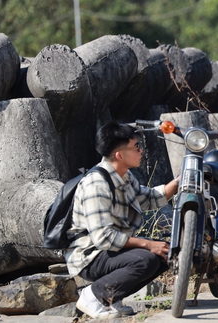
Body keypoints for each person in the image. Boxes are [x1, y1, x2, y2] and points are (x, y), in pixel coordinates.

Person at [65, 120, 180, 319]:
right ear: (120, 155)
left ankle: (112, 298)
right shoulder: (96, 184)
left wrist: (180, 181)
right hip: (90, 255)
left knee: (165, 254)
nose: (141, 151)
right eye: (136, 147)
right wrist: (148, 244)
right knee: (146, 259)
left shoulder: (124, 177)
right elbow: (104, 238)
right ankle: (92, 296)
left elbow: (150, 198)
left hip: (110, 250)